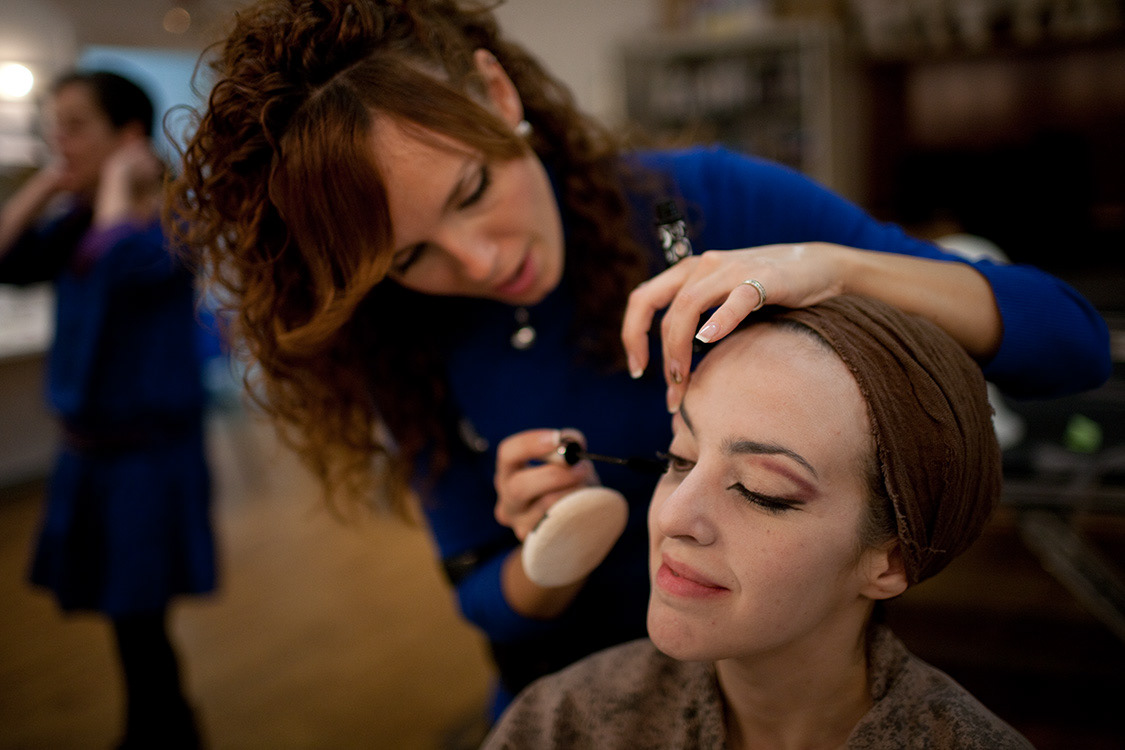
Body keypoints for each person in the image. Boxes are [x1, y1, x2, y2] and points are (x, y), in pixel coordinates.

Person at [168, 0, 1110, 717]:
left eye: (470, 191)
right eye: (411, 257)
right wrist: (546, 551)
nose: (484, 263)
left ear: (498, 97)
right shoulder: (403, 336)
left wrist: (834, 266)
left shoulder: (707, 208)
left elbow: (1065, 344)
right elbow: (483, 604)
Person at [483, 294, 1032, 749]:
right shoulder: (563, 724)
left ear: (891, 561)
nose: (673, 515)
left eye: (759, 491)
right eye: (680, 458)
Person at [0, 71, 213, 748]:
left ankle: (162, 732)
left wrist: (118, 181)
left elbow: (116, 261)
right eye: (51, 125)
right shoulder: (77, 223)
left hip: (147, 460)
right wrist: (47, 183)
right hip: (94, 456)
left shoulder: (173, 222)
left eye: (74, 124)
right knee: (131, 625)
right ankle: (167, 729)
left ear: (127, 136)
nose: (58, 139)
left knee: (140, 620)